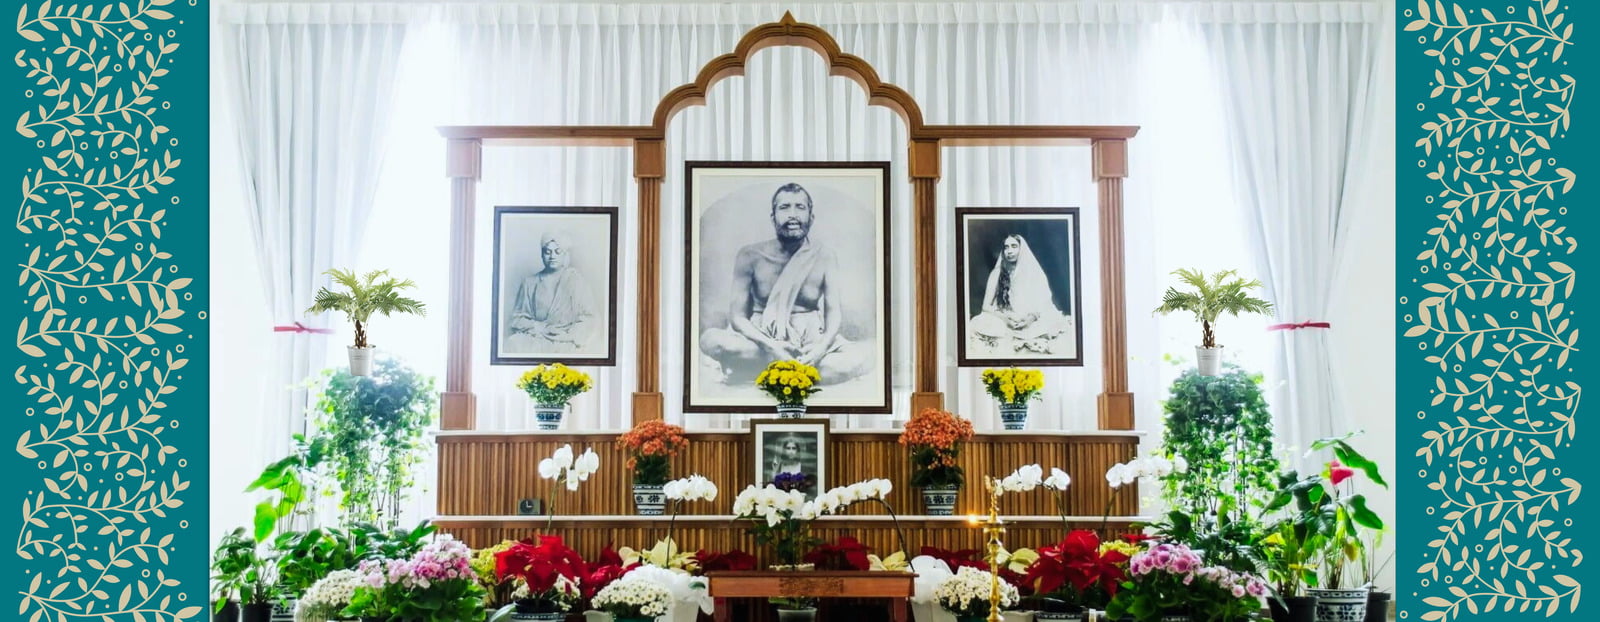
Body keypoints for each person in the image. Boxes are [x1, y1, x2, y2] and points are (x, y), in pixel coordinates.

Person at [699, 182, 872, 384]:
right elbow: (737, 317)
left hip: (809, 344)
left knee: (855, 359)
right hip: (760, 341)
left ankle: (764, 370)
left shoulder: (825, 256)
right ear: (773, 218)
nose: (793, 214)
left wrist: (819, 350)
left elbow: (833, 313)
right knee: (710, 340)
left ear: (811, 217)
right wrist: (771, 347)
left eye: (800, 207)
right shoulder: (749, 256)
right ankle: (793, 371)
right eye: (784, 207)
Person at [968, 234, 1074, 355]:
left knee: (1052, 324)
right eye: (1006, 247)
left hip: (1030, 317)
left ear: (1022, 249)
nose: (1010, 251)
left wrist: (1030, 318)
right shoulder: (997, 273)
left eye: (1014, 246)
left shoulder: (1034, 273)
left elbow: (1043, 302)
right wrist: (1006, 319)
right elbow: (985, 306)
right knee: (984, 326)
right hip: (1004, 317)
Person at [505, 231, 596, 353]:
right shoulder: (530, 283)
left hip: (565, 338)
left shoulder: (576, 281)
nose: (552, 256)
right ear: (542, 255)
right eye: (548, 252)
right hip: (537, 336)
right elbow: (517, 319)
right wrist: (539, 327)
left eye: (557, 252)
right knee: (513, 342)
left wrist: (569, 335)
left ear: (565, 255)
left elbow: (589, 318)